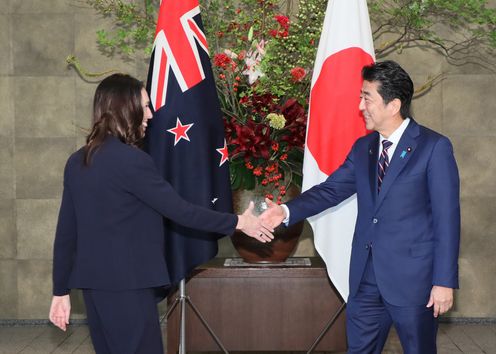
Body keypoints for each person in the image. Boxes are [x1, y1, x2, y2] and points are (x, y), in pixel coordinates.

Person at [48, 73, 273, 354]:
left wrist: (60, 290)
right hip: (129, 286)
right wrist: (239, 222)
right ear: (124, 107)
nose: (151, 114)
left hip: (93, 289)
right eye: (144, 106)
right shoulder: (132, 161)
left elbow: (66, 232)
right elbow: (181, 211)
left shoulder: (77, 161)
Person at [261, 60, 460, 354]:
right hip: (366, 279)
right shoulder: (363, 148)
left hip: (414, 282)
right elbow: (330, 190)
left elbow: (448, 220)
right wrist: (286, 211)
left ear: (393, 105)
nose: (360, 106)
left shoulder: (433, 147)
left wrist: (443, 281)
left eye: (367, 97)